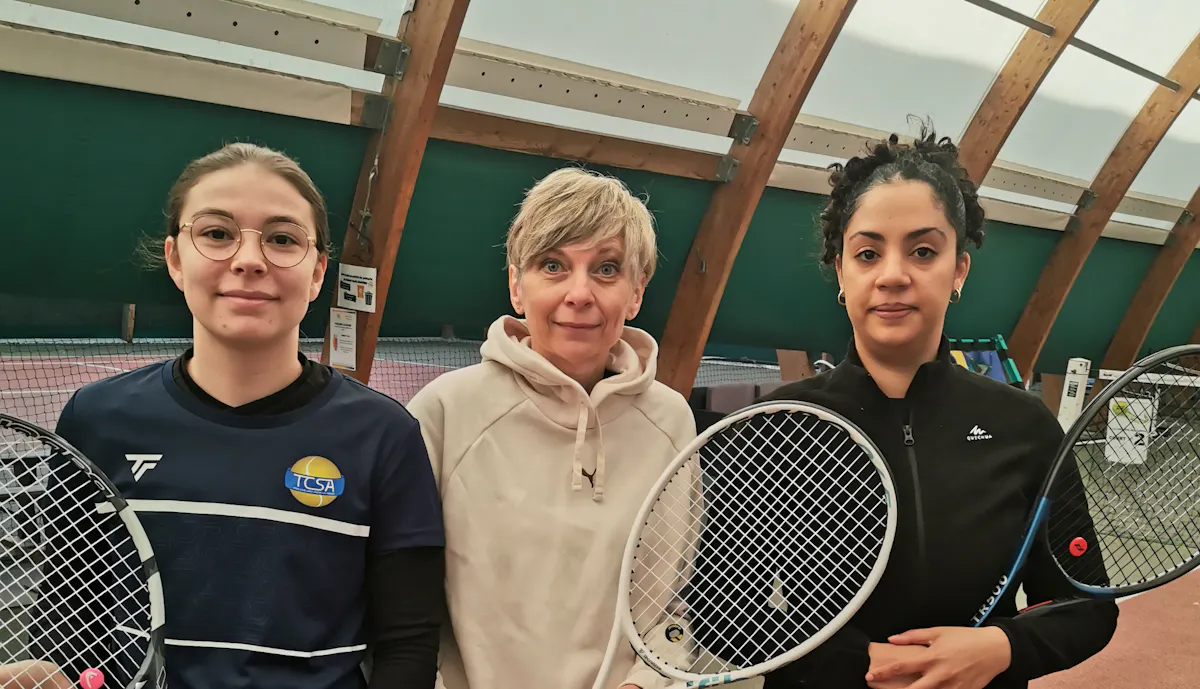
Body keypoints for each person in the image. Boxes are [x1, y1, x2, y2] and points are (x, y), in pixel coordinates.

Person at [0, 143, 445, 689]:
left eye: (282, 239)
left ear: (317, 273)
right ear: (175, 259)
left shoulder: (385, 435)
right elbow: (68, 625)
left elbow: (408, 646)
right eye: (217, 233)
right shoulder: (96, 420)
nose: (249, 259)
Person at [749, 125, 1119, 688]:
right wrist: (863, 665)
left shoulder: (1026, 428)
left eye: (923, 252)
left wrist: (1001, 647)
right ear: (842, 274)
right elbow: (719, 608)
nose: (893, 276)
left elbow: (1086, 606)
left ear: (958, 271)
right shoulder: (772, 426)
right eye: (868, 253)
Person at [406, 166, 698, 689]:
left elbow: (675, 607)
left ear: (636, 293)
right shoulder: (445, 410)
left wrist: (644, 684)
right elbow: (402, 604)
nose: (579, 293)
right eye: (553, 266)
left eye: (606, 269)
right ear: (516, 286)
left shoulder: (671, 421)